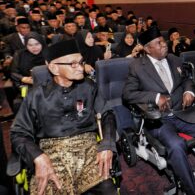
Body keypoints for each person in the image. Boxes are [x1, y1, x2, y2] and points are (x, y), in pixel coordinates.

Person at [123, 25, 195, 195]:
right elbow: (128, 94)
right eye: (159, 43)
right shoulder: (137, 67)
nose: (164, 45)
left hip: (183, 113)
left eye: (163, 41)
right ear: (148, 49)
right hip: (159, 120)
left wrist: (188, 91)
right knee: (177, 145)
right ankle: (191, 190)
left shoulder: (174, 59)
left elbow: (187, 80)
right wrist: (156, 97)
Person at [10, 39, 117, 195]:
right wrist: (38, 157)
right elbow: (18, 133)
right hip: (51, 154)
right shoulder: (37, 95)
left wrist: (107, 143)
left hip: (88, 151)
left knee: (108, 190)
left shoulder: (89, 87)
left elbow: (107, 114)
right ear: (54, 68)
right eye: (73, 64)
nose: (80, 67)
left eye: (81, 62)